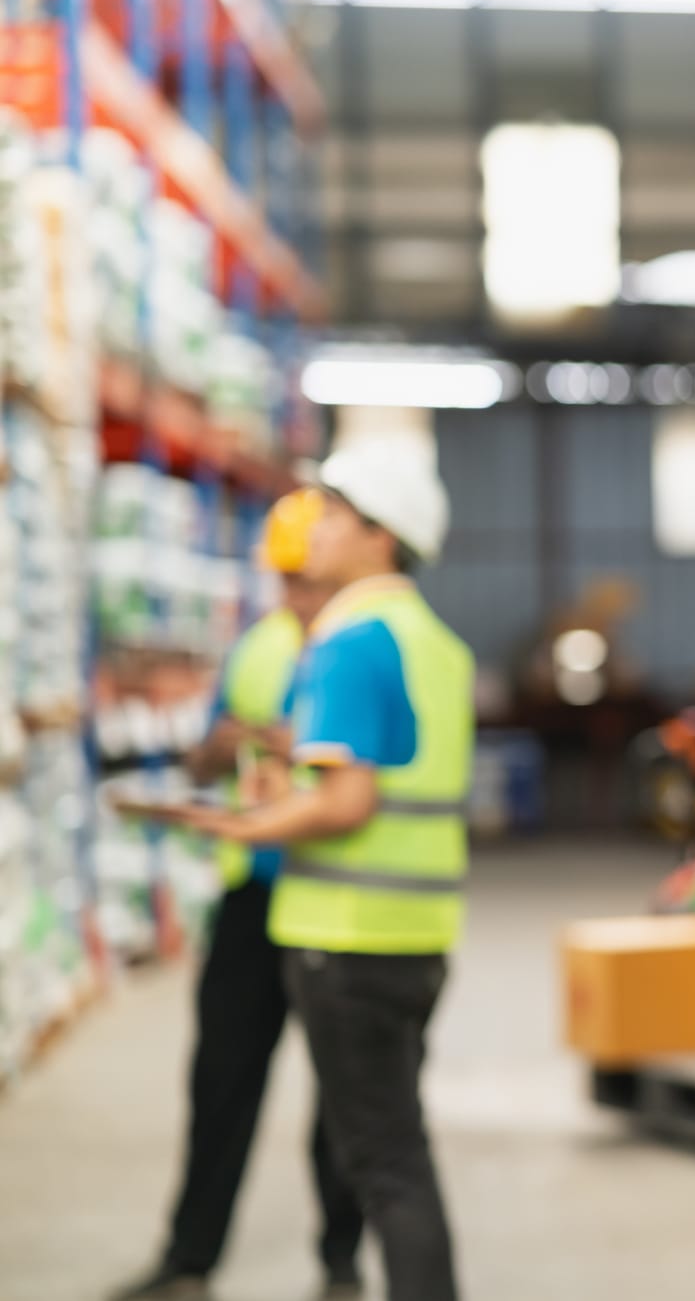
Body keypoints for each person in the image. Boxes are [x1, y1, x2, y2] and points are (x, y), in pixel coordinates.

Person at [177, 443, 473, 1301]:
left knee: (385, 1162)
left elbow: (348, 801)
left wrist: (243, 818)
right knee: (389, 1150)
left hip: (342, 935)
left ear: (381, 537)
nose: (315, 535)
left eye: (336, 517)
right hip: (418, 932)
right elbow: (390, 765)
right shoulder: (432, 641)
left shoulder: (349, 639)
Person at [113, 490, 365, 1301]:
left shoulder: (362, 649)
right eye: (287, 580)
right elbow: (204, 763)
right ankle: (190, 1257)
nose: (298, 596)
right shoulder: (256, 650)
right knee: (221, 1079)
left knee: (344, 1098)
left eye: (311, 579)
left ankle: (340, 1261)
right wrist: (220, 749)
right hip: (254, 897)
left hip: (334, 895)